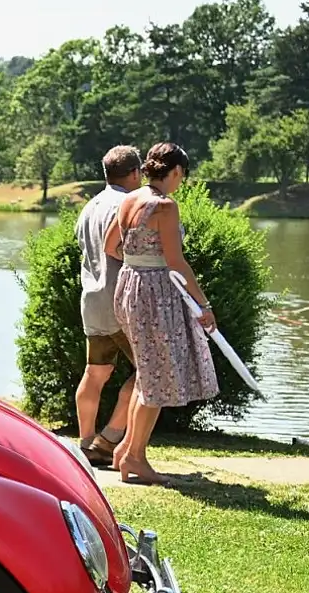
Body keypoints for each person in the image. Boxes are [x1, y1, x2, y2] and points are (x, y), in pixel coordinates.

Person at [105, 142, 218, 485]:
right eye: (182, 175)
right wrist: (203, 304)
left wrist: (138, 261)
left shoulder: (129, 199)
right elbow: (176, 261)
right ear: (176, 171)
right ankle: (135, 459)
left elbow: (112, 246)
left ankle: (125, 451)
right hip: (155, 295)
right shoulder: (165, 206)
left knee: (146, 372)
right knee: (156, 377)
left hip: (128, 287)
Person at [72, 146, 141, 467]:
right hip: (120, 300)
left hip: (92, 299)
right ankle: (109, 438)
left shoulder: (89, 206)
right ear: (135, 173)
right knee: (149, 371)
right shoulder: (127, 204)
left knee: (95, 372)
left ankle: (85, 442)